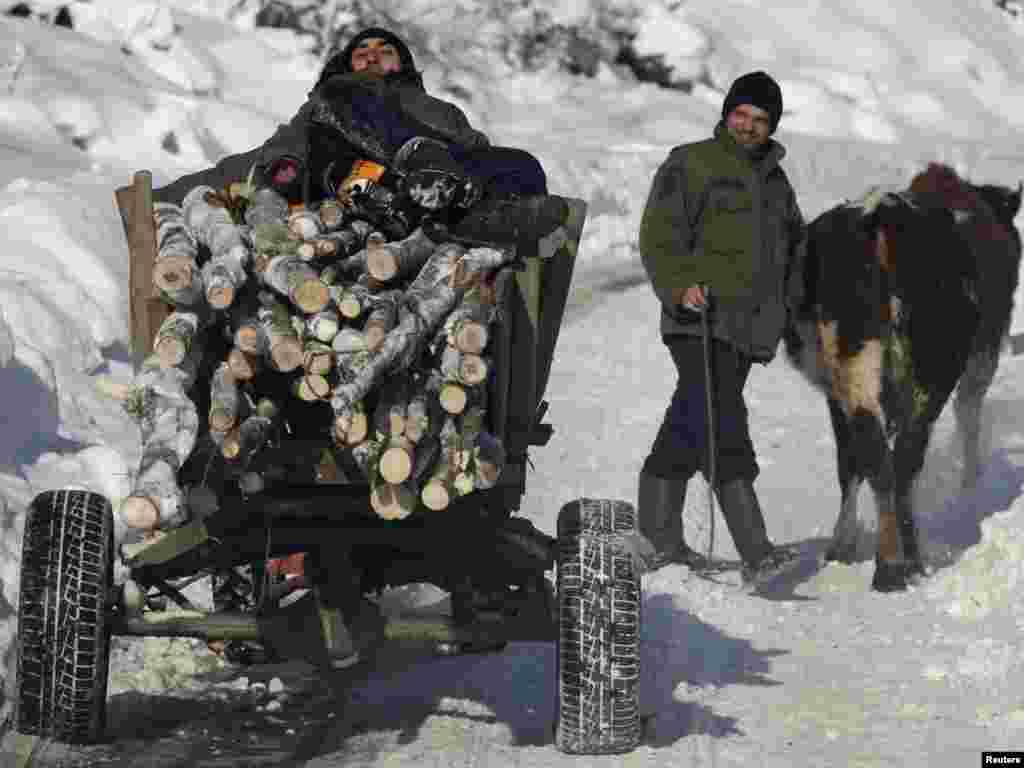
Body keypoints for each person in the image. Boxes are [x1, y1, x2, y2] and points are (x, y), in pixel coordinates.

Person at [153, 26, 566, 248]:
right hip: (345, 178)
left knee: (522, 164)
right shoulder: (335, 96)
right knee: (351, 100)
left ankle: (457, 216)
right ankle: (414, 179)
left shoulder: (438, 109)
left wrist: (495, 176)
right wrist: (158, 200)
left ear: (402, 64)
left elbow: (475, 150)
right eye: (360, 51)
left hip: (430, 186)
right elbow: (266, 159)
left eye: (384, 50)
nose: (371, 54)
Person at [636, 71, 806, 582]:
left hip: (749, 329)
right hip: (699, 320)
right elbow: (660, 236)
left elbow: (796, 252)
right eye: (741, 115)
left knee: (693, 421)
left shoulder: (777, 183)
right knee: (722, 420)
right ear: (727, 112)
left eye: (760, 120)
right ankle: (756, 552)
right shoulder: (690, 163)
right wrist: (680, 285)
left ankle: (659, 539)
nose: (749, 127)